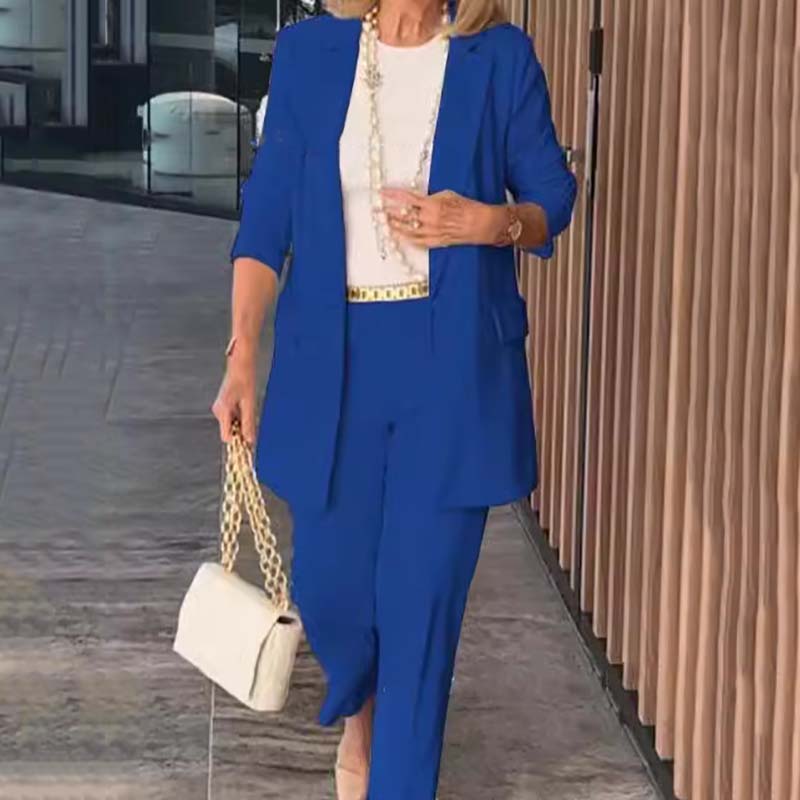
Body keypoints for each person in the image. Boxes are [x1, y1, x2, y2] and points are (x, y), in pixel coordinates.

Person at [212, 0, 577, 795]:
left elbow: (551, 195)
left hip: (453, 375)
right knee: (331, 592)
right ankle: (361, 712)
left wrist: (488, 223)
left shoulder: (498, 57)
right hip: (334, 369)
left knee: (421, 618)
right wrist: (241, 356)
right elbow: (267, 219)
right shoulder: (310, 54)